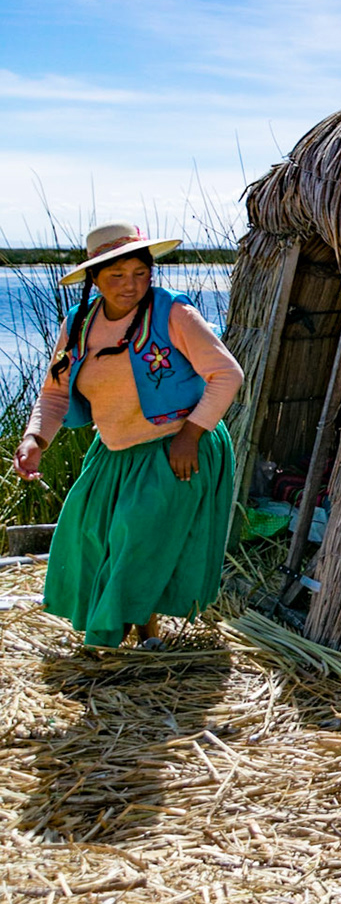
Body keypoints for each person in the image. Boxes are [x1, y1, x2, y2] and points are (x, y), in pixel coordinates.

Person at [9, 223, 243, 647]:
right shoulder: (79, 325)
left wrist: (190, 435)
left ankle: (117, 638)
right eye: (116, 275)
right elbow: (55, 391)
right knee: (93, 539)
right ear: (94, 279)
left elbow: (227, 374)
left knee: (137, 540)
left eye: (140, 273)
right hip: (114, 452)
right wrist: (35, 440)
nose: (130, 285)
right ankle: (145, 632)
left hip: (175, 446)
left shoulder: (174, 315)